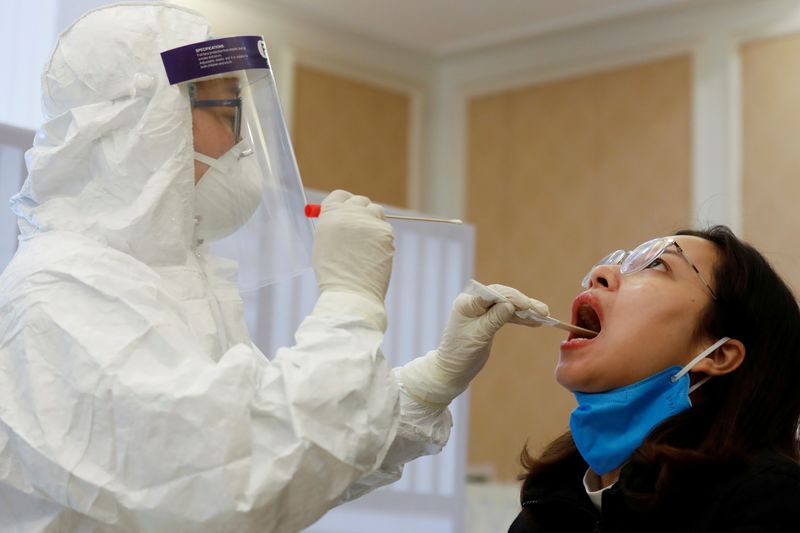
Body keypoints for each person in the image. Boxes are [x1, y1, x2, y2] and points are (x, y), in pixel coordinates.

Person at [0, 3, 547, 532]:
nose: (241, 143)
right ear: (146, 124)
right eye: (226, 111)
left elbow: (298, 456)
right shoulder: (61, 293)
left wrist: (430, 383)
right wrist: (350, 302)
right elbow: (236, 483)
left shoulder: (169, 283)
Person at [509, 226, 800, 532]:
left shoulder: (766, 499)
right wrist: (450, 392)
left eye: (656, 264)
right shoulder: (547, 505)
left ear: (718, 354)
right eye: (620, 262)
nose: (600, 273)